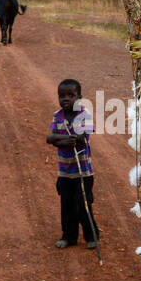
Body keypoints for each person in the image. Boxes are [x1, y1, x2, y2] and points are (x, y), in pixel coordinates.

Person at [46, 79, 98, 249]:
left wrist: (61, 140)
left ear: (80, 98)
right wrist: (64, 140)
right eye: (62, 96)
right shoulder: (57, 116)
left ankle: (92, 236)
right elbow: (50, 138)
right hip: (65, 172)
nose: (65, 99)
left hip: (83, 172)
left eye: (71, 95)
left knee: (83, 204)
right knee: (66, 206)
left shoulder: (85, 115)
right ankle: (69, 237)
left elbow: (82, 137)